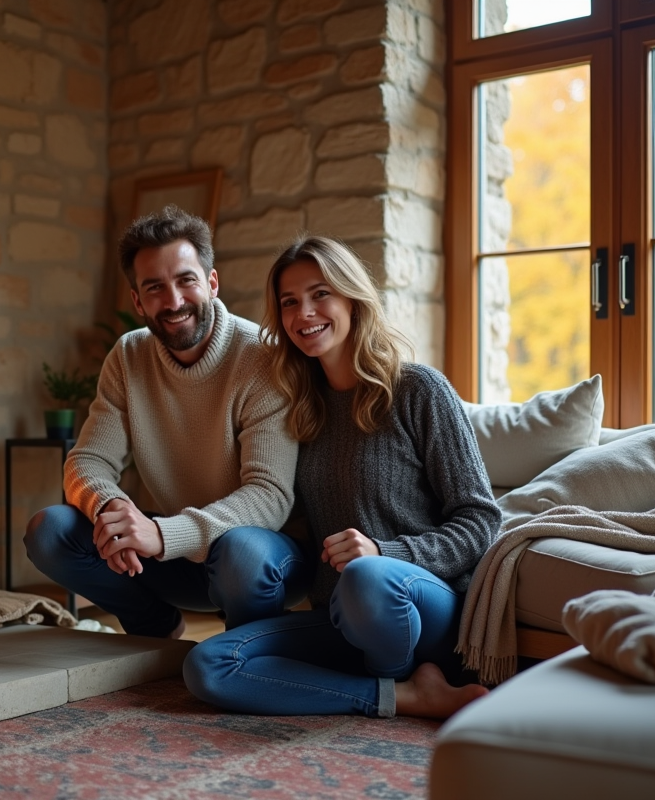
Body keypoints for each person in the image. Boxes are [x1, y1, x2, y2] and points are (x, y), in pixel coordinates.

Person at [183, 236, 500, 719]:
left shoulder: (418, 389)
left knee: (367, 577)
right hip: (339, 614)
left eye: (320, 294)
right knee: (208, 663)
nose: (304, 312)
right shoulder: (299, 410)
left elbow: (480, 520)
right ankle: (400, 695)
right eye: (289, 302)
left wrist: (386, 552)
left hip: (422, 607)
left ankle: (403, 671)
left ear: (352, 297)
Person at [24, 206, 311, 639]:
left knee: (242, 552)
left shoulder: (263, 358)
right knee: (50, 532)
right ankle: (154, 628)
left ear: (212, 283)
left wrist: (162, 533)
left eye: (186, 280)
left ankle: (247, 648)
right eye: (155, 288)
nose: (173, 301)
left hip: (262, 559)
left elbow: (268, 497)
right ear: (137, 300)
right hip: (173, 555)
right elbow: (85, 462)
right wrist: (111, 510)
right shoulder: (128, 356)